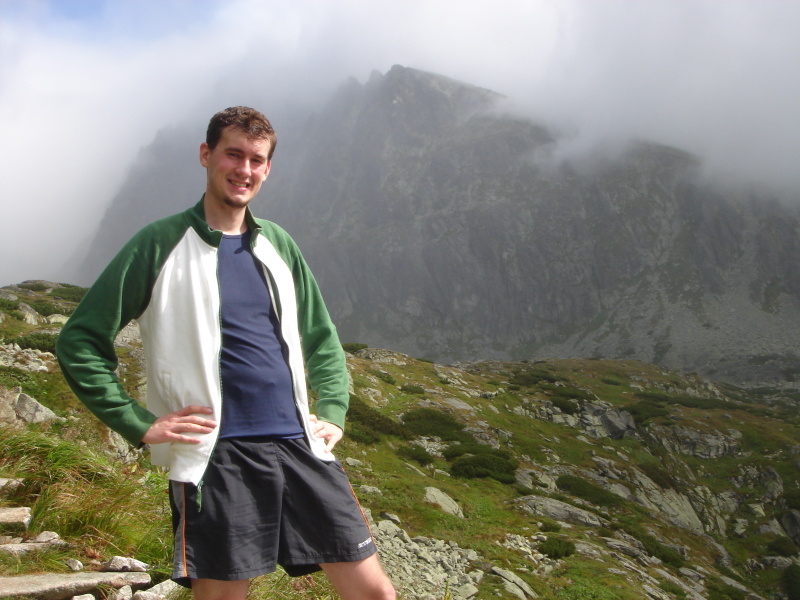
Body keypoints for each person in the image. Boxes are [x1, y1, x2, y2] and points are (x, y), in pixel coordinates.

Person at [56, 106, 397, 600]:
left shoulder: (278, 243)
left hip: (301, 446)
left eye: (256, 160)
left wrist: (333, 412)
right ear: (206, 155)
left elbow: (322, 338)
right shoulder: (159, 244)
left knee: (375, 593)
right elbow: (79, 341)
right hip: (216, 456)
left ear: (267, 168)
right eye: (233, 154)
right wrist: (137, 422)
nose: (244, 169)